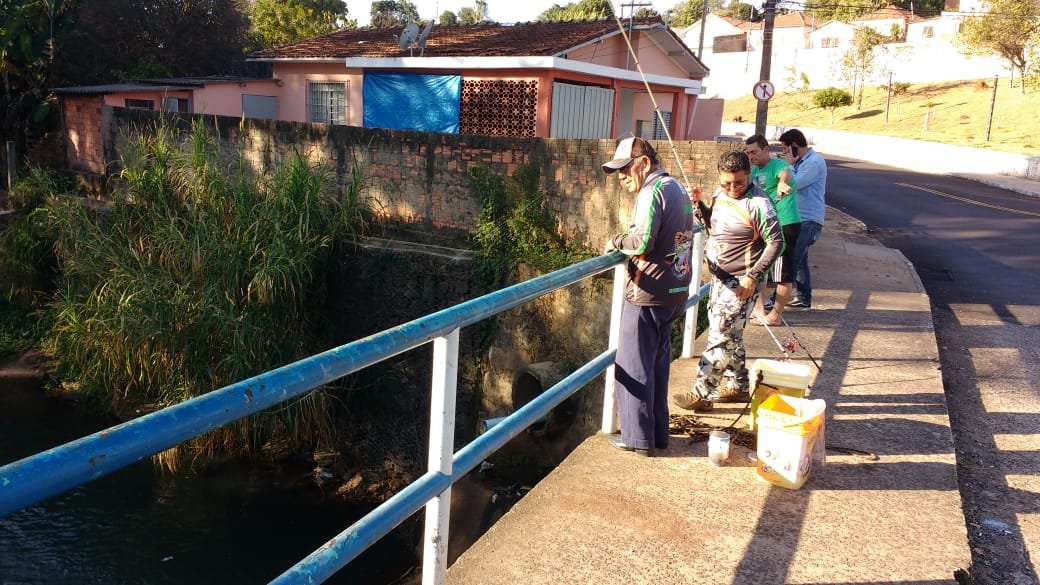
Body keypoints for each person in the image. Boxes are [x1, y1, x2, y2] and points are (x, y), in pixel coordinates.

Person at [602, 137, 694, 457]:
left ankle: (637, 439)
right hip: (676, 289)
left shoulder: (651, 190)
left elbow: (642, 242)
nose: (623, 178)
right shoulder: (678, 188)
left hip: (648, 291)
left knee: (633, 363)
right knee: (657, 363)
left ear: (643, 164)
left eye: (625, 170)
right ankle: (657, 434)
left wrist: (615, 241)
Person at [673, 151, 782, 412]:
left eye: (739, 183)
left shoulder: (759, 204)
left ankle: (702, 393)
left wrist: (753, 276)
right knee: (730, 334)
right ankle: (737, 385)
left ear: (749, 176)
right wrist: (699, 205)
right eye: (726, 183)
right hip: (719, 280)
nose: (732, 189)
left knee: (720, 336)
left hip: (741, 285)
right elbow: (714, 225)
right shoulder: (719, 195)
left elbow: (777, 242)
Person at [745, 134, 800, 326]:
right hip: (764, 226)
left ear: (766, 150)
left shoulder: (777, 166)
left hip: (785, 223)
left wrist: (782, 184)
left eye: (755, 152)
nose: (751, 156)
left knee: (782, 272)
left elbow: (784, 174)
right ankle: (759, 310)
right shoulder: (753, 172)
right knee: (757, 267)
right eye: (748, 152)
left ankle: (775, 315)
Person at [778, 128, 827, 309]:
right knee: (800, 262)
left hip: (809, 219)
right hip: (799, 218)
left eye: (785, 148)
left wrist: (788, 165)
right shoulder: (801, 162)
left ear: (794, 147)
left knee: (791, 259)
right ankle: (804, 298)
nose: (784, 153)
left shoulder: (814, 162)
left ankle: (776, 301)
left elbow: (795, 183)